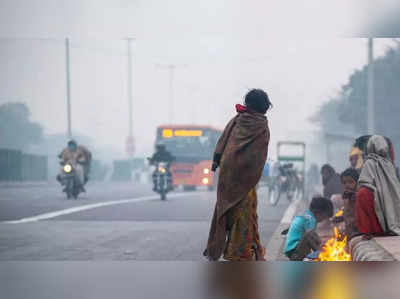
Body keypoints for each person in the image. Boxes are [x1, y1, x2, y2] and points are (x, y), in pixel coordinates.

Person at [204, 89, 272, 261]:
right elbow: (259, 154)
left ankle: (221, 247)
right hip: (246, 176)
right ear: (264, 106)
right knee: (244, 212)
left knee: (225, 207)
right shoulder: (261, 125)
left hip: (228, 172)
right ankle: (238, 252)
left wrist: (216, 159)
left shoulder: (237, 120)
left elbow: (223, 140)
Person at [356, 135, 400, 237]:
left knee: (362, 193)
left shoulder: (369, 162)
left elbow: (364, 183)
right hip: (387, 202)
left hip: (374, 202)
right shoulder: (389, 164)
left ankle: (370, 230)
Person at [284, 196, 334, 261]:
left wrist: (322, 243)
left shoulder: (305, 215)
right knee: (309, 236)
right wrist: (320, 248)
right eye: (324, 216)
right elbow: (310, 234)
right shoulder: (311, 219)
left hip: (292, 250)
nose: (323, 220)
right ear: (317, 212)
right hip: (295, 251)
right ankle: (319, 253)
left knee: (312, 238)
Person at [333, 168, 360, 240]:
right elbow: (350, 214)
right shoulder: (346, 198)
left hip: (358, 234)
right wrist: (341, 218)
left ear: (357, 182)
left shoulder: (359, 196)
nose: (347, 185)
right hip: (349, 234)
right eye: (344, 183)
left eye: (350, 182)